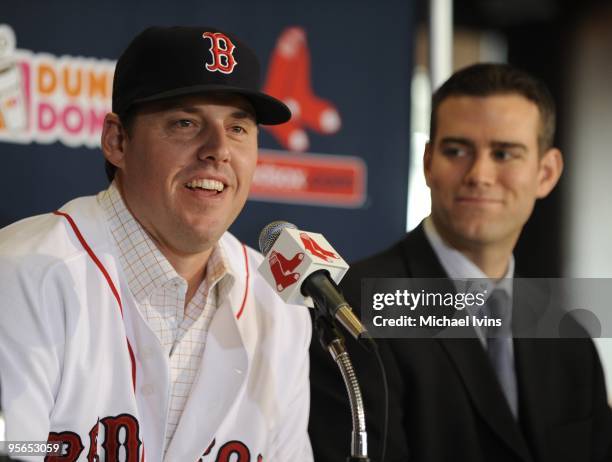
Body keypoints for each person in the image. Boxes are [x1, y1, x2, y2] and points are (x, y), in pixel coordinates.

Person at [0, 26, 313, 461]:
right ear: (117, 141)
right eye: (185, 123)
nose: (218, 150)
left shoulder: (282, 309)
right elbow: (13, 448)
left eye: (238, 128)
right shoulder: (21, 272)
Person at [309, 63, 612, 462]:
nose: (479, 174)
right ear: (429, 163)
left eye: (504, 153)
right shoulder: (354, 310)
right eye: (456, 151)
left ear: (546, 172)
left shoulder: (569, 337)